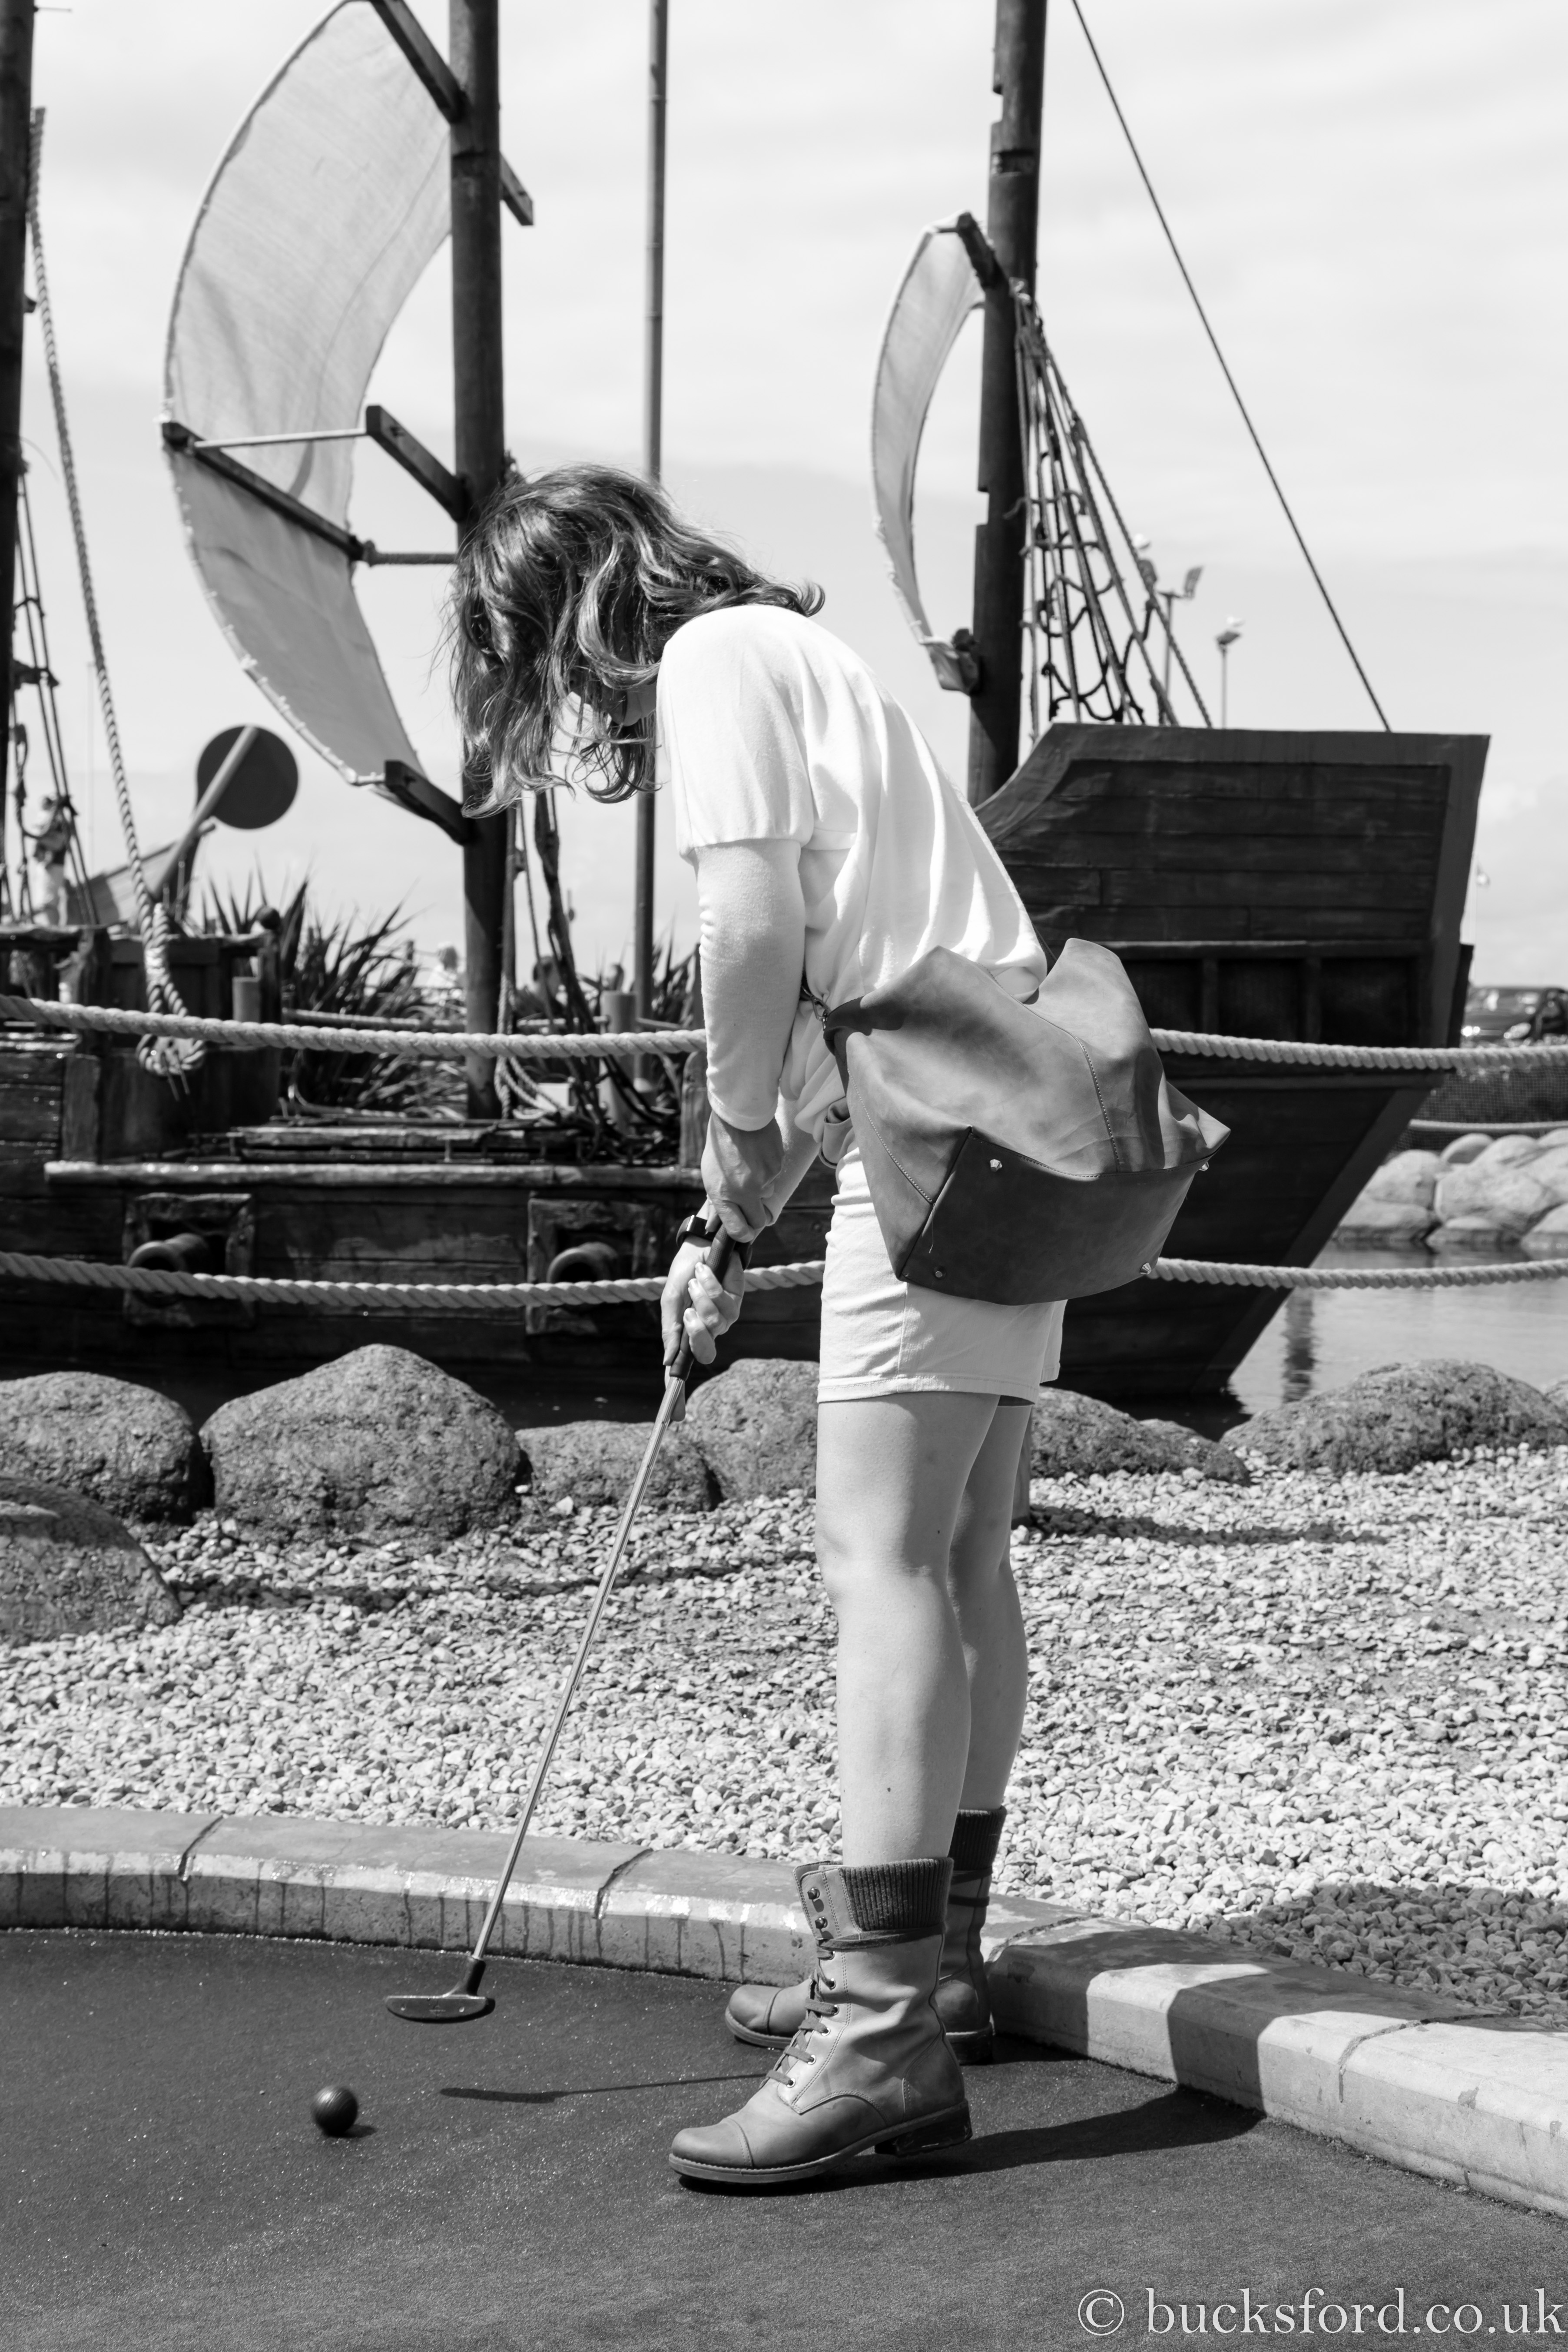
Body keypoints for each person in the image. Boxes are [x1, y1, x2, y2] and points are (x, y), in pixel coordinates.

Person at [450, 464, 1064, 2188]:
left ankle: (882, 2033)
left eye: (533, 662)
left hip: (933, 1129)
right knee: (961, 1551)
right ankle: (938, 1961)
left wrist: (723, 1136)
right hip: (1014, 1105)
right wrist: (723, 1224)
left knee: (878, 1556)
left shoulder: (716, 656)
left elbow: (747, 929)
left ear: (571, 614)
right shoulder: (814, 663)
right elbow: (833, 1001)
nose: (564, 709)